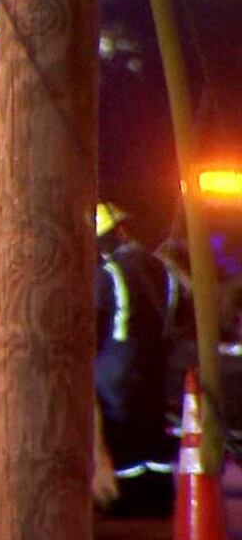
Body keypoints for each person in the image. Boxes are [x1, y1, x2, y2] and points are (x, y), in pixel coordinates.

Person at [95, 201, 175, 515]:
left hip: (116, 365)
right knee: (153, 433)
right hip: (155, 364)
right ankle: (159, 501)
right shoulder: (160, 267)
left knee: (124, 435)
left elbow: (97, 318)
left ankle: (129, 503)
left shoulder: (109, 271)